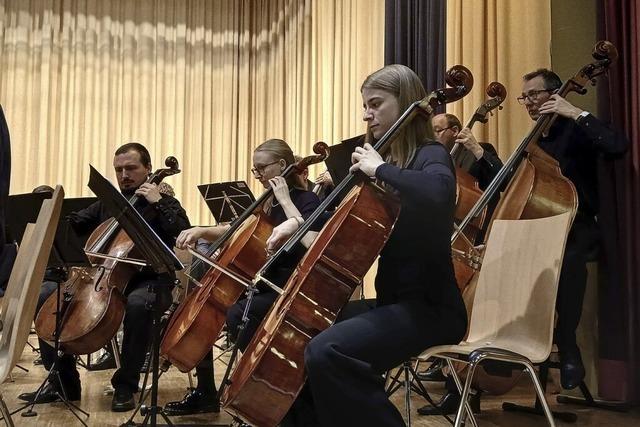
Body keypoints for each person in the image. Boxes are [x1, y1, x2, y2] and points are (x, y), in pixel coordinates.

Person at [284, 64, 467, 427]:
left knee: (328, 351)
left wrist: (380, 170)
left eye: (376, 103)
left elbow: (440, 191)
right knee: (299, 332)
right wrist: (296, 221)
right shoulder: (394, 163)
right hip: (393, 304)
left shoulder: (430, 154)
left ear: (407, 103)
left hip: (431, 310)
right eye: (365, 105)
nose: (367, 114)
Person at [19, 143, 191, 412]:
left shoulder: (165, 203)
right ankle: (63, 382)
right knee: (44, 295)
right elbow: (74, 225)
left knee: (138, 305)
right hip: (103, 280)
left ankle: (126, 385)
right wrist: (52, 213)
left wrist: (158, 202)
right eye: (119, 169)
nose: (124, 175)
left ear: (148, 169)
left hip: (149, 279)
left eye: (131, 168)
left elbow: (182, 231)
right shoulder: (109, 204)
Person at [167, 139, 322, 415]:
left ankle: (267, 380)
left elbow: (311, 242)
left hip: (290, 285)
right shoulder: (265, 201)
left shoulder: (306, 199)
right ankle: (207, 390)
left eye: (262, 168)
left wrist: (286, 201)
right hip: (263, 281)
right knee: (205, 310)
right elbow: (235, 228)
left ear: (283, 166)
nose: (259, 174)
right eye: (255, 169)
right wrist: (201, 230)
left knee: (239, 314)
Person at [515, 68, 628, 390]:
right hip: (540, 226)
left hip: (577, 224)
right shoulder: (538, 140)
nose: (528, 102)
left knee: (568, 257)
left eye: (533, 94)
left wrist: (575, 112)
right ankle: (507, 342)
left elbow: (617, 145)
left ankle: (567, 346)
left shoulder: (575, 129)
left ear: (555, 93)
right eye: (525, 97)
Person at [418, 113, 504, 416]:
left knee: (463, 311)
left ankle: (461, 391)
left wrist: (478, 150)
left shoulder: (478, 154)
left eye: (439, 130)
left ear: (455, 132)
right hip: (451, 242)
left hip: (478, 242)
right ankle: (444, 366)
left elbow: (502, 184)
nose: (435, 136)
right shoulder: (435, 163)